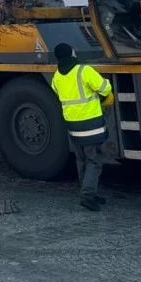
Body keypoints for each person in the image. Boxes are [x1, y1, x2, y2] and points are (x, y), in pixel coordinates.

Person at [49, 42, 114, 211]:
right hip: (91, 123)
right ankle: (88, 195)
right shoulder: (83, 70)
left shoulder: (56, 77)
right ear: (71, 53)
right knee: (94, 160)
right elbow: (105, 88)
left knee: (82, 160)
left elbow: (57, 94)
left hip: (73, 125)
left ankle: (87, 191)